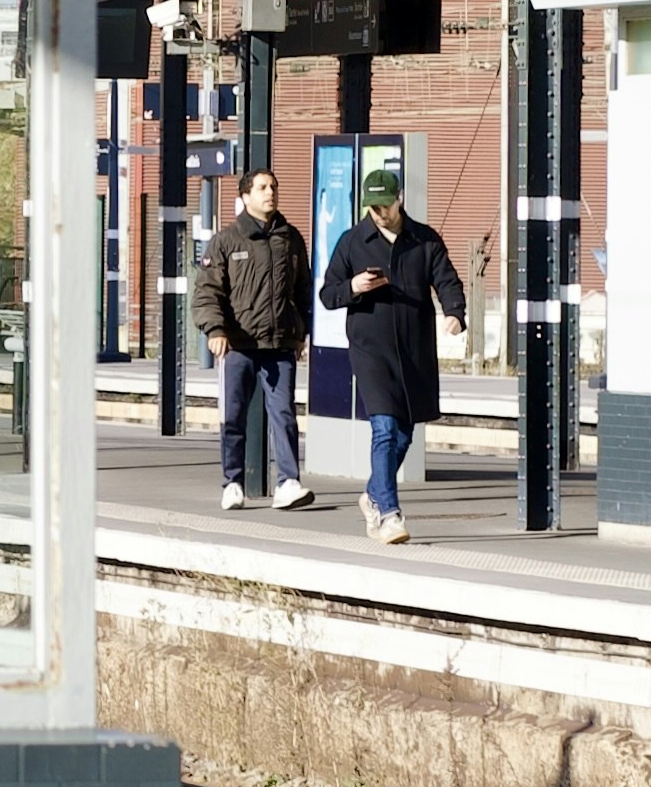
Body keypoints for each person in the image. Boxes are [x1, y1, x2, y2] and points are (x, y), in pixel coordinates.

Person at [321, 177, 467, 543]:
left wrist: (454, 313)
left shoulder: (425, 239)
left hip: (414, 349)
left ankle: (373, 494)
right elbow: (328, 293)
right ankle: (389, 514)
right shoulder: (353, 241)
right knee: (384, 428)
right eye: (373, 208)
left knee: (405, 434)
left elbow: (447, 280)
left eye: (386, 206)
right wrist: (353, 287)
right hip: (370, 349)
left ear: (400, 199)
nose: (380, 214)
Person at [194, 165, 313, 510]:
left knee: (284, 415)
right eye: (262, 187)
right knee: (234, 416)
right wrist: (215, 330)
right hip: (238, 346)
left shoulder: (291, 239)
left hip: (279, 346)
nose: (270, 192)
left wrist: (301, 332)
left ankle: (288, 482)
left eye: (273, 186)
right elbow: (207, 292)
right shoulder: (227, 241)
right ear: (245, 197)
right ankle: (232, 482)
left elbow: (303, 290)